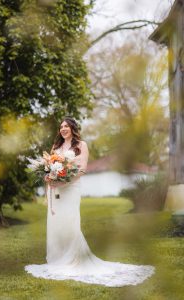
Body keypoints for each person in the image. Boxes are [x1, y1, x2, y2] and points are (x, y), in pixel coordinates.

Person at [24, 116, 155, 287]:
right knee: (56, 222)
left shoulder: (81, 145)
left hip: (71, 189)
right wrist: (50, 179)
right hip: (56, 190)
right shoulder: (56, 147)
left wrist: (63, 182)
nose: (63, 129)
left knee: (70, 222)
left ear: (73, 128)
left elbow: (81, 170)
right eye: (61, 126)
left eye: (66, 126)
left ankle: (73, 258)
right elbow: (49, 168)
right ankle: (57, 257)